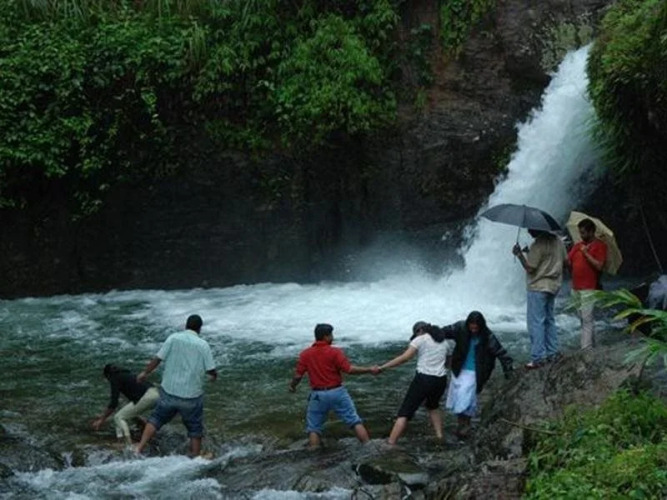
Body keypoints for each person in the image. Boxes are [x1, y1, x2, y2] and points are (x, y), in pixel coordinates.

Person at [134, 314, 217, 457]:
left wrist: (144, 373)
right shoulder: (203, 345)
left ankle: (139, 448)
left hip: (169, 392)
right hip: (191, 396)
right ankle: (195, 458)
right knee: (195, 428)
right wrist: (214, 376)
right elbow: (210, 369)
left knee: (156, 419)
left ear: (186, 325)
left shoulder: (173, 338)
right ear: (200, 329)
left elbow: (158, 359)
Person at [423, 311, 513, 438]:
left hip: (477, 371)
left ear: (481, 326)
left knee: (464, 396)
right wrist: (429, 330)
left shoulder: (488, 336)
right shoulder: (460, 328)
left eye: (476, 328)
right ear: (468, 325)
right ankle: (463, 424)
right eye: (471, 327)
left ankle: (464, 424)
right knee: (461, 397)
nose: (473, 330)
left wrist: (509, 373)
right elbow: (443, 332)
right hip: (459, 369)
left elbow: (502, 353)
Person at [288, 323, 376, 448]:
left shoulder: (305, 354)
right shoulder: (335, 352)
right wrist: (369, 370)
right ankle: (368, 447)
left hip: (318, 395)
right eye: (331, 335)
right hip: (337, 392)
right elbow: (349, 370)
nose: (332, 337)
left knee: (314, 428)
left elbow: (298, 376)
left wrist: (292, 386)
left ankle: (314, 454)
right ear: (326, 336)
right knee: (354, 421)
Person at [377, 321, 455, 445]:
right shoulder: (445, 342)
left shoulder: (421, 339)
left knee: (405, 412)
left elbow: (404, 358)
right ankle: (439, 436)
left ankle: (391, 443)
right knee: (433, 406)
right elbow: (448, 364)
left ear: (420, 331)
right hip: (440, 380)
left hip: (423, 379)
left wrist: (383, 367)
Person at [512, 229, 568, 368]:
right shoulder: (558, 241)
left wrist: (519, 255)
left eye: (530, 229)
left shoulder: (538, 244)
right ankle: (552, 353)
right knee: (549, 320)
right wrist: (529, 253)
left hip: (538, 286)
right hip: (553, 285)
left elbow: (531, 268)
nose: (529, 231)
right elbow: (565, 261)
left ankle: (538, 357)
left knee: (536, 322)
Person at [91, 364, 160, 445]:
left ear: (108, 375)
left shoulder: (114, 378)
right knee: (129, 412)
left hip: (147, 397)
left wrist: (101, 420)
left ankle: (127, 444)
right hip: (156, 393)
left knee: (118, 417)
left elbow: (113, 403)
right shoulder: (127, 374)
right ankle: (145, 429)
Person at [567, 218, 607, 350]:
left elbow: (599, 266)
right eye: (580, 232)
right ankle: (592, 345)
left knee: (587, 318)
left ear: (591, 232)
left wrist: (586, 253)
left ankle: (586, 349)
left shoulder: (600, 246)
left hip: (589, 287)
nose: (581, 235)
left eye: (583, 233)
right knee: (583, 318)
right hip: (575, 287)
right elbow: (568, 262)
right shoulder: (577, 245)